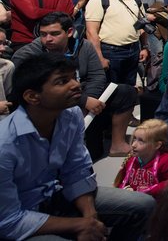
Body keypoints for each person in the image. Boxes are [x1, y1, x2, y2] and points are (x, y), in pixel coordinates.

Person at [0, 53, 154, 240]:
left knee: (144, 205)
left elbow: (77, 169)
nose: (75, 85)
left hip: (58, 195)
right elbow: (8, 221)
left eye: (74, 77)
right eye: (62, 81)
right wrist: (78, 225)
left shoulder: (71, 115)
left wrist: (90, 217)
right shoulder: (5, 143)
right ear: (32, 96)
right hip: (24, 213)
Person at [13, 12, 137, 158]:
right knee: (89, 154)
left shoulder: (85, 47)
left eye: (54, 34)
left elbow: (97, 76)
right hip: (50, 103)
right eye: (43, 34)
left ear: (69, 32)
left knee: (125, 92)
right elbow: (40, 90)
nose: (48, 39)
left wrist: (89, 99)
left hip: (85, 97)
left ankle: (117, 144)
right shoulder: (28, 55)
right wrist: (83, 101)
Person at [85, 0, 150, 86]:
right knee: (111, 89)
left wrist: (145, 47)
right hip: (110, 50)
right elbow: (91, 31)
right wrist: (99, 57)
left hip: (133, 48)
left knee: (129, 87)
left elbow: (142, 24)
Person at [114, 119, 168, 198]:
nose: (133, 145)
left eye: (141, 141)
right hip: (132, 199)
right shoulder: (132, 159)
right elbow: (121, 182)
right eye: (134, 138)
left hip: (154, 203)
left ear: (157, 145)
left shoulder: (167, 161)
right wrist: (124, 189)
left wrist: (144, 191)